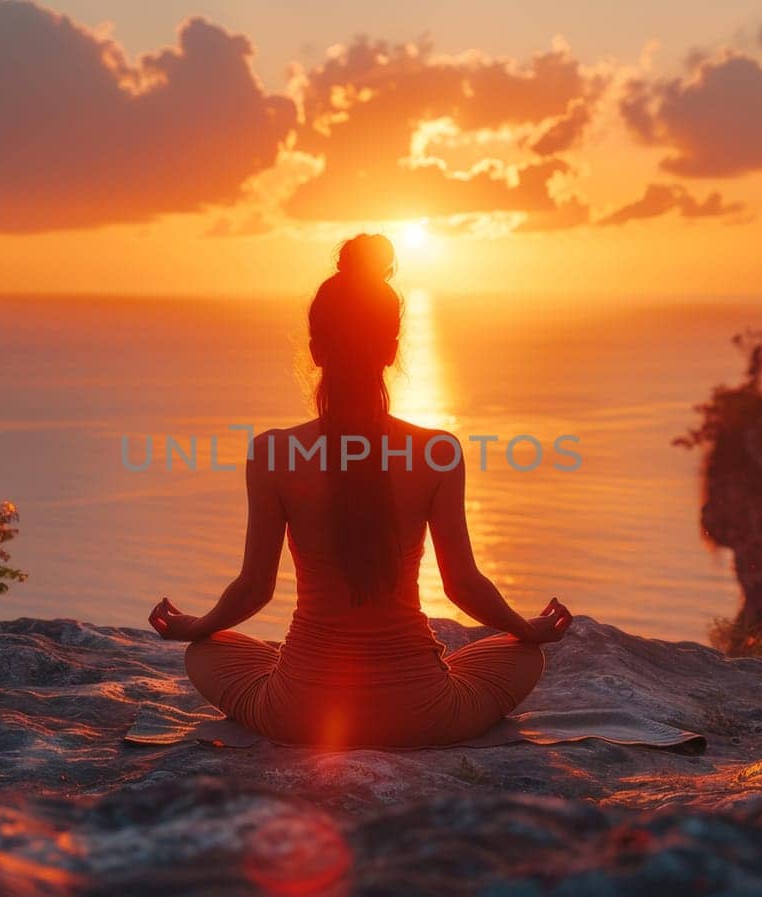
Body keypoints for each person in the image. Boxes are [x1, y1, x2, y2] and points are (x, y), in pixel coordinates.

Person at [149, 233, 571, 748]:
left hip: (302, 713)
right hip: (421, 716)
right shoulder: (437, 451)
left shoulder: (273, 453)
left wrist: (197, 626)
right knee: (524, 654)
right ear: (391, 350)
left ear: (315, 350)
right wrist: (527, 630)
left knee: (206, 651)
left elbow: (254, 590)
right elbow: (463, 586)